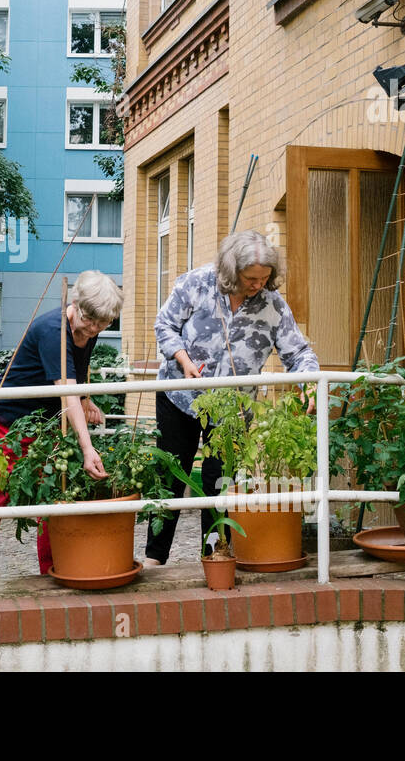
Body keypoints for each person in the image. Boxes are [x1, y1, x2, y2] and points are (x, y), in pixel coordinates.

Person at [144, 230, 319, 568]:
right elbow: (164, 325)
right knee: (169, 474)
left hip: (232, 410)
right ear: (231, 271)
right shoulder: (196, 283)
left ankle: (214, 556)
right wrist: (182, 358)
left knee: (219, 483)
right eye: (251, 278)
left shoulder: (273, 305)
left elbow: (299, 352)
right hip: (179, 397)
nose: (258, 285)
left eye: (265, 278)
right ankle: (155, 558)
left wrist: (309, 382)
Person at [0, 270, 122, 578]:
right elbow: (67, 395)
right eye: (90, 321)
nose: (94, 330)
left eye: (102, 324)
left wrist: (87, 398)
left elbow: (79, 370)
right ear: (75, 304)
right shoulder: (53, 331)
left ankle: (52, 573)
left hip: (43, 424)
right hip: (5, 420)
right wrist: (87, 448)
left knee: (51, 498)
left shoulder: (89, 326)